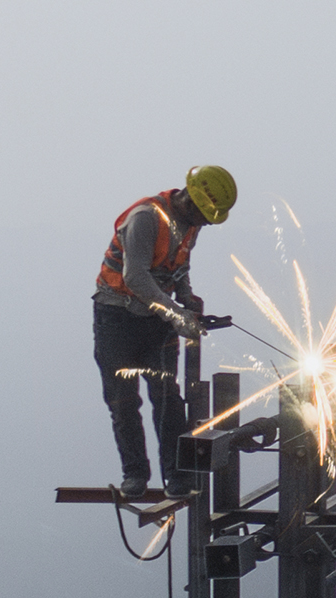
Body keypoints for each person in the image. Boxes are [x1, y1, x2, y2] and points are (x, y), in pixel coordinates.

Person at [93, 166, 236, 497]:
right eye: (202, 215)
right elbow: (136, 278)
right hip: (117, 317)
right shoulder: (145, 219)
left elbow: (178, 264)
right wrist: (177, 314)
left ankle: (176, 477)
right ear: (188, 199)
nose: (202, 223)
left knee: (167, 398)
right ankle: (135, 475)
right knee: (123, 401)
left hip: (156, 318)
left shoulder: (190, 223)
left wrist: (186, 296)